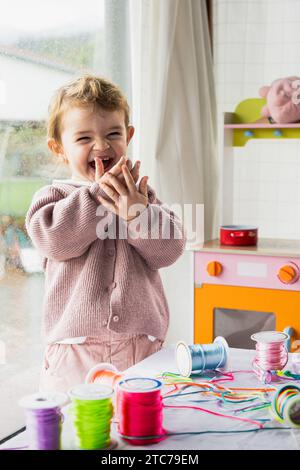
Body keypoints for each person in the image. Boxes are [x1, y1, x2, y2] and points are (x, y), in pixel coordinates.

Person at [25, 74, 186, 393]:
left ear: (128, 136)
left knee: (139, 429)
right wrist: (98, 194)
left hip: (140, 348)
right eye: (84, 139)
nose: (101, 146)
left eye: (113, 134)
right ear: (59, 148)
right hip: (73, 350)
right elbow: (55, 242)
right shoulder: (53, 197)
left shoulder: (141, 195)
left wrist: (137, 212)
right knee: (75, 430)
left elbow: (169, 251)